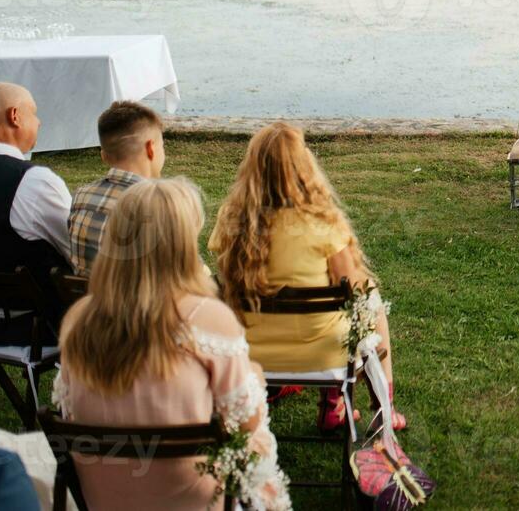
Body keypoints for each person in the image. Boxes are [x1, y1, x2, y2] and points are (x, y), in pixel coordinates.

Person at [55, 177, 290, 511]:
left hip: (103, 498)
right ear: (182, 244)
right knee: (258, 437)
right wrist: (254, 377)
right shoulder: (209, 318)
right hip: (192, 499)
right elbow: (245, 421)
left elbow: (69, 411)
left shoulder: (80, 320)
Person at [208, 121, 404, 432]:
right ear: (304, 167)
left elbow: (227, 277)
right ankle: (381, 408)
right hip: (320, 351)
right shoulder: (322, 224)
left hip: (249, 349)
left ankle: (329, 403)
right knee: (372, 303)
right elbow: (354, 291)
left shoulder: (233, 224)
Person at [0, 83, 72, 344]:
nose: (39, 122)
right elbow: (78, 251)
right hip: (30, 323)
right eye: (34, 113)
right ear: (15, 116)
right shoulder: (34, 182)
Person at [68, 100, 166, 276]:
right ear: (150, 148)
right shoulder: (160, 205)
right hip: (141, 302)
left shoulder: (80, 196)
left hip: (88, 300)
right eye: (162, 146)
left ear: (104, 156)